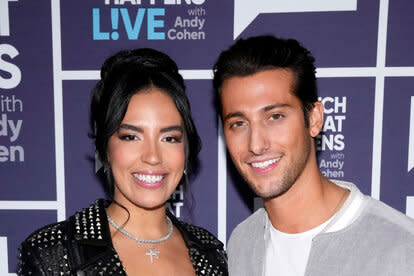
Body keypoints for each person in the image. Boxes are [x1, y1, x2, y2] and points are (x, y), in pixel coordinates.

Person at [213, 35, 414, 276]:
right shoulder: (241, 244)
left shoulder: (401, 248)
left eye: (275, 117)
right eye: (238, 123)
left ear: (315, 119)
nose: (256, 144)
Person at [17, 48, 227, 276]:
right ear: (105, 147)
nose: (153, 156)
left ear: (185, 149)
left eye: (169, 138)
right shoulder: (53, 253)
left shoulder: (211, 255)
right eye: (131, 137)